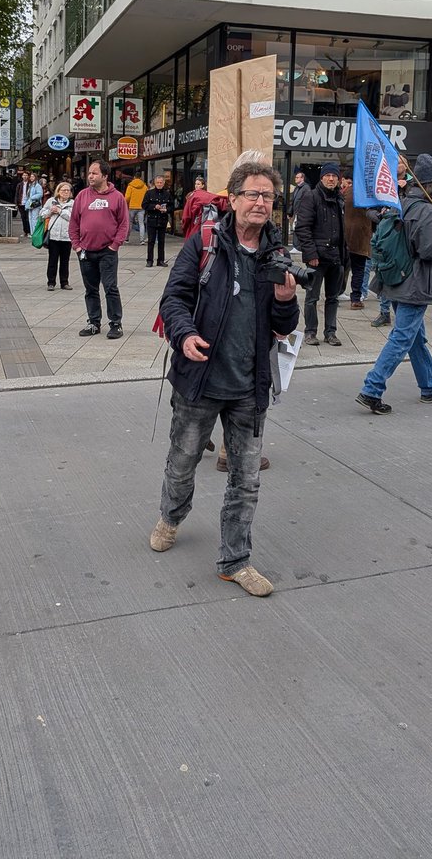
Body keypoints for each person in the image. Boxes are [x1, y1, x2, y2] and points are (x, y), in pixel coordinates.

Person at [149, 158, 299, 597]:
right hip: (199, 381)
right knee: (183, 463)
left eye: (268, 196)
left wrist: (286, 301)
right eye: (252, 194)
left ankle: (235, 561)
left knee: (246, 480)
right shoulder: (205, 242)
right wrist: (184, 334)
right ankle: (171, 516)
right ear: (232, 199)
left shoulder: (277, 254)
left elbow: (284, 326)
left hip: (250, 387)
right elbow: (174, 298)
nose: (260, 202)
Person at [357, 154, 432, 414]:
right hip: (415, 283)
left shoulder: (402, 202)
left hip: (396, 278)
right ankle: (372, 388)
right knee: (403, 337)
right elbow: (429, 250)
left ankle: (430, 387)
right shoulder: (425, 209)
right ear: (431, 183)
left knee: (415, 337)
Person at [69, 159, 128, 338]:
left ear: (105, 176)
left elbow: (123, 224)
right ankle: (94, 322)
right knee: (90, 289)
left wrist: (114, 246)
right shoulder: (82, 196)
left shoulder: (117, 197)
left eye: (94, 173)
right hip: (86, 251)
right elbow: (74, 223)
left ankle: (116, 324)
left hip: (107, 252)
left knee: (110, 288)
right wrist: (77, 246)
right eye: (89, 173)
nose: (90, 176)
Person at [294, 160, 346, 346]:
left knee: (333, 298)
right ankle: (310, 332)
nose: (331, 179)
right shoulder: (311, 196)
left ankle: (330, 332)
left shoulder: (339, 198)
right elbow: (302, 227)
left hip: (336, 257)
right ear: (322, 178)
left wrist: (344, 256)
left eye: (334, 176)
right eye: (327, 175)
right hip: (317, 258)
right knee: (312, 297)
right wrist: (311, 254)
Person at [368, 153, 411, 328]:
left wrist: (405, 190)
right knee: (384, 272)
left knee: (403, 275)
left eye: (400, 162)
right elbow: (369, 210)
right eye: (395, 162)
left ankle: (402, 313)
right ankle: (384, 312)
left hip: (405, 237)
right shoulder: (384, 185)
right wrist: (381, 216)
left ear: (406, 166)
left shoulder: (414, 186)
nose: (397, 165)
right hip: (386, 237)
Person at [340, 171, 371, 311]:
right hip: (361, 236)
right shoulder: (368, 194)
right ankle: (356, 298)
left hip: (345, 235)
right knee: (359, 269)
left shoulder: (345, 194)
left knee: (341, 267)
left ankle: (335, 293)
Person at [40, 180, 74, 290]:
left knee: (65, 261)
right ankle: (51, 282)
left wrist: (60, 211)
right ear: (58, 191)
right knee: (52, 260)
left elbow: (73, 218)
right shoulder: (51, 201)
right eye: (63, 190)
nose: (66, 192)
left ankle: (64, 282)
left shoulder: (73, 203)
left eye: (68, 190)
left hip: (66, 237)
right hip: (53, 236)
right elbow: (42, 214)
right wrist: (50, 211)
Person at [142, 174, 171, 268]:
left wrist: (166, 209)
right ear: (155, 183)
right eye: (157, 182)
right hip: (152, 220)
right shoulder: (149, 193)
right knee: (151, 241)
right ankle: (149, 260)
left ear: (164, 183)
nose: (159, 184)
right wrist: (154, 207)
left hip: (162, 220)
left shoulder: (167, 194)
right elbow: (144, 205)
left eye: (161, 182)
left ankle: (160, 260)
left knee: (161, 241)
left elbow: (172, 207)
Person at [180, 175, 208, 240]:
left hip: (201, 219)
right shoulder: (191, 194)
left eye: (198, 184)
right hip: (192, 219)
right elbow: (188, 208)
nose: (196, 186)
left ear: (203, 185)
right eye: (195, 184)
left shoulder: (205, 195)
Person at [124, 171, 148, 243]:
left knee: (130, 223)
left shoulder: (130, 186)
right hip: (141, 207)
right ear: (140, 177)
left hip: (132, 206)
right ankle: (142, 240)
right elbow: (147, 197)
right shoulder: (145, 186)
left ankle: (127, 238)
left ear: (134, 177)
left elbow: (127, 197)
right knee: (141, 223)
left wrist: (126, 203)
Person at [289, 170, 310, 252]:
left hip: (301, 212)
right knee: (296, 228)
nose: (295, 179)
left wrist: (303, 212)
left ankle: (297, 247)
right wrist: (290, 212)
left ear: (302, 178)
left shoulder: (306, 188)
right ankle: (296, 246)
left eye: (297, 177)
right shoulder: (297, 188)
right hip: (296, 212)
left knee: (298, 228)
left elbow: (306, 201)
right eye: (296, 177)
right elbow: (294, 201)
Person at [14, 170, 32, 236]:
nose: (25, 176)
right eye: (24, 175)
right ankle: (25, 232)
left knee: (28, 218)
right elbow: (16, 194)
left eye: (26, 175)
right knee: (23, 218)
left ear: (28, 176)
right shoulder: (19, 184)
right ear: (22, 176)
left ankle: (29, 231)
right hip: (20, 203)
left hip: (28, 203)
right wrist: (16, 203)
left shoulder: (30, 184)